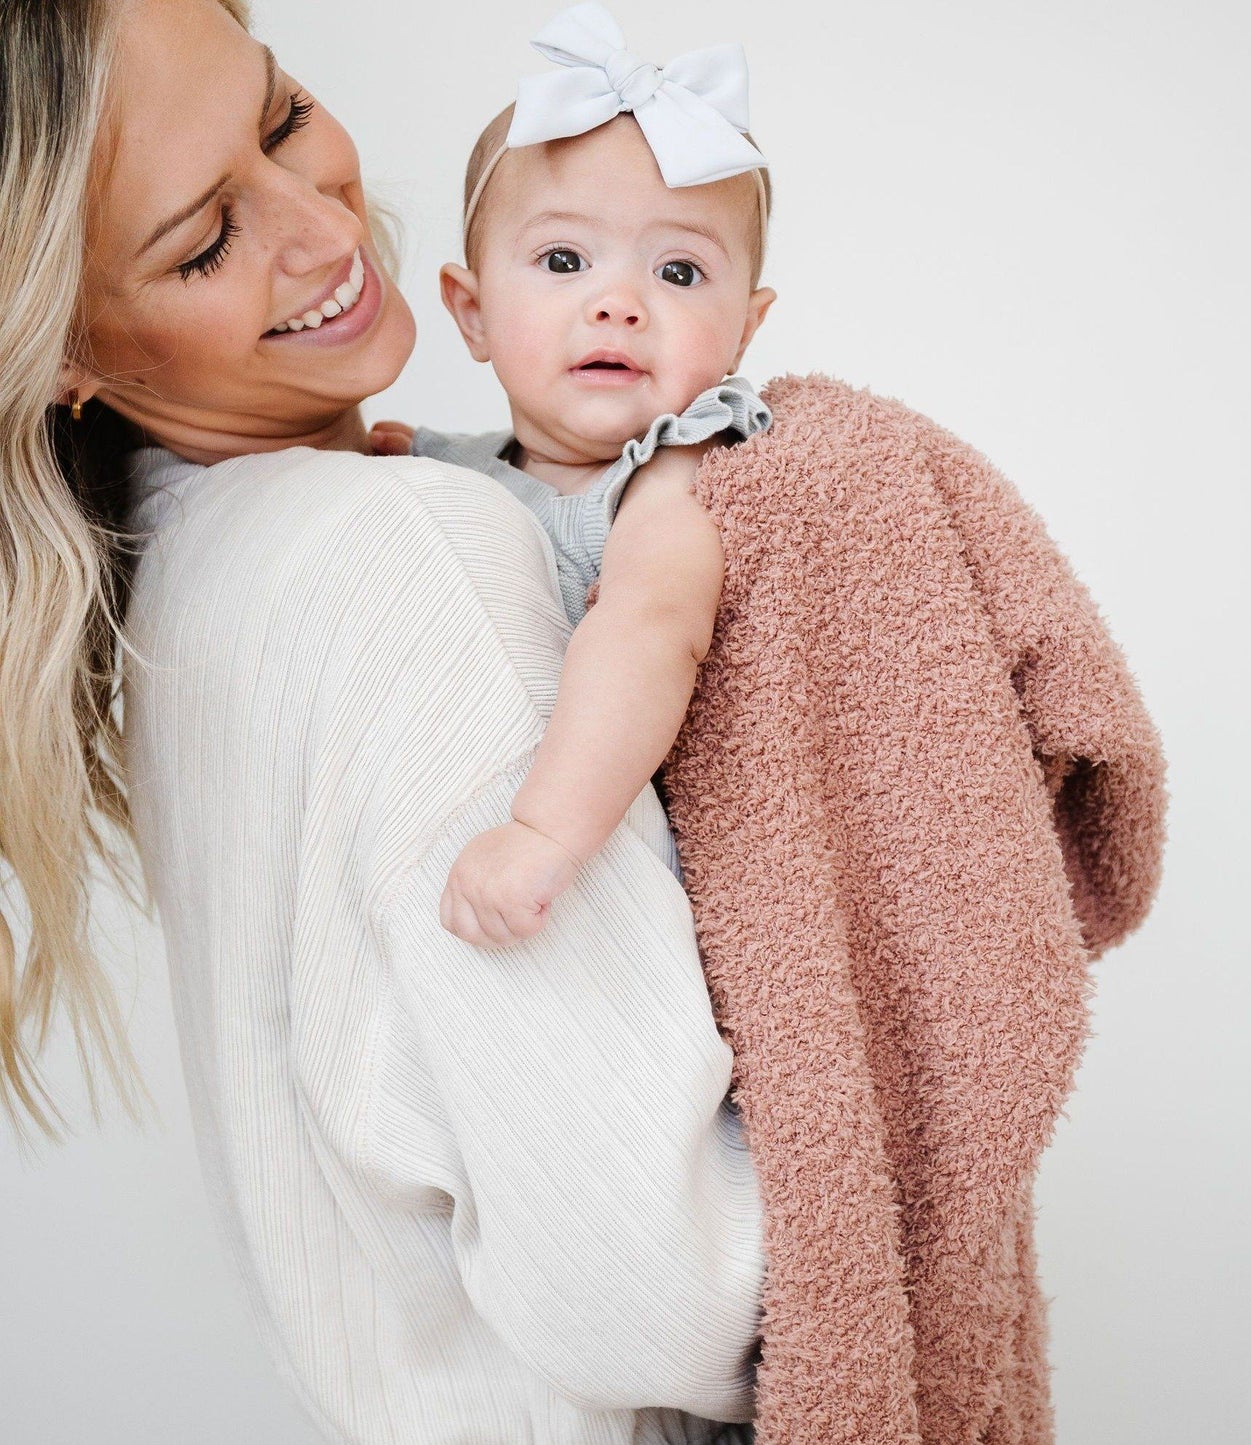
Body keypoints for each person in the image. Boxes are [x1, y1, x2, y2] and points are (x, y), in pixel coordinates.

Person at [0, 2, 765, 1441]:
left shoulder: (194, 577)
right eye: (202, 242)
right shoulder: (406, 556)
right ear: (59, 349)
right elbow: (668, 1289)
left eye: (282, 115)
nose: (321, 228)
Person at [374, 2, 781, 948]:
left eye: (679, 273)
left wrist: (543, 831)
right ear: (472, 312)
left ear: (743, 330)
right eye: (564, 260)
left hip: (617, 879)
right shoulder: (456, 467)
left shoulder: (677, 469)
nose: (618, 304)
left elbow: (651, 625)